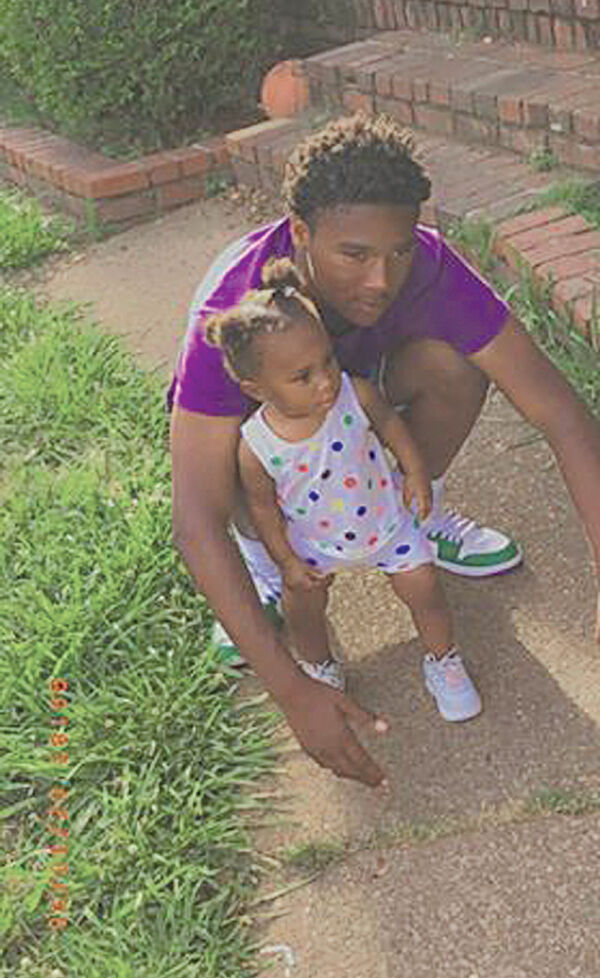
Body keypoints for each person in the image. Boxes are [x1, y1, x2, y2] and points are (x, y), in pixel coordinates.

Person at [170, 112, 600, 789]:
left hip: (360, 423)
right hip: (274, 455)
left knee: (453, 367)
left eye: (398, 251)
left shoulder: (431, 265)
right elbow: (194, 518)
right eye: (355, 255)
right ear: (302, 232)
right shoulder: (233, 310)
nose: (381, 279)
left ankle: (411, 514)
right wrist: (293, 692)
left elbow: (562, 415)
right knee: (227, 455)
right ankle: (264, 565)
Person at [204, 256, 482, 722]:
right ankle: (320, 668)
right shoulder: (256, 446)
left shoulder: (356, 394)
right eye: (302, 376)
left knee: (425, 588)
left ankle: (444, 659)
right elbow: (263, 510)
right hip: (312, 544)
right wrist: (286, 562)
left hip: (387, 526)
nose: (325, 381)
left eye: (328, 360)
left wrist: (415, 472)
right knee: (302, 609)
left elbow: (391, 425)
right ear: (256, 389)